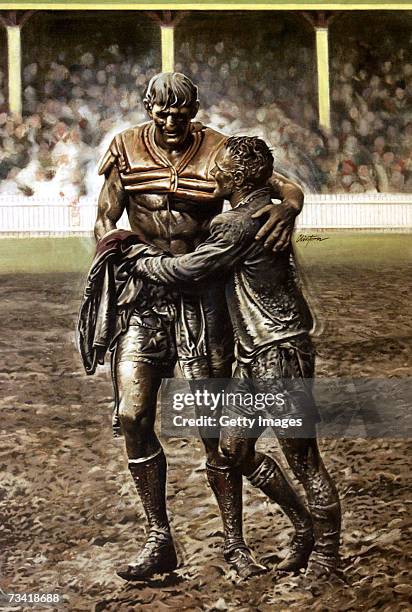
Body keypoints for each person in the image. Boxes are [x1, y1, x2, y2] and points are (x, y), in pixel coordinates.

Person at [94, 72, 305, 580]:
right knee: (132, 416)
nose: (171, 121)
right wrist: (117, 247)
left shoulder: (220, 149)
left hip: (204, 303)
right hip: (143, 299)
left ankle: (236, 543)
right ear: (147, 107)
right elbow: (105, 218)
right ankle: (158, 539)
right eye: (161, 112)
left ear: (194, 109)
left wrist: (291, 207)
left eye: (181, 111)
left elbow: (284, 186)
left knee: (213, 430)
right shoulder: (123, 148)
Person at [134, 136, 342, 579]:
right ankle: (304, 528)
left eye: (221, 170)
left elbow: (190, 270)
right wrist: (290, 202)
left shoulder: (234, 224)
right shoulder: (263, 211)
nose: (213, 174)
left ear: (241, 177)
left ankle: (327, 556)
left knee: (304, 460)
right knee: (233, 452)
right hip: (255, 353)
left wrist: (139, 261)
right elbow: (280, 188)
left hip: (278, 350)